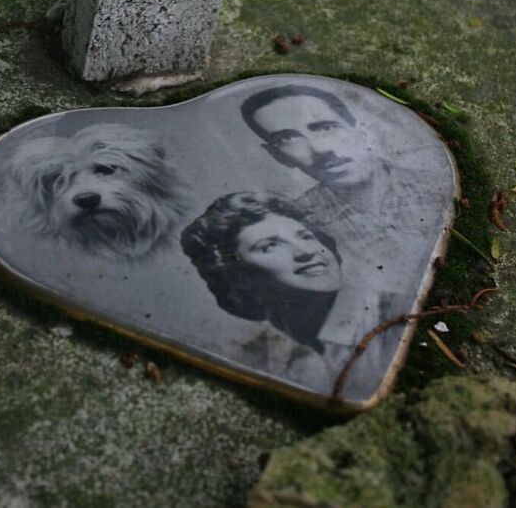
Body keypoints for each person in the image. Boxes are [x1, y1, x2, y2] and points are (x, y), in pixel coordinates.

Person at [181, 191, 400, 393]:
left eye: (305, 236)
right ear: (239, 276)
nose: (305, 251)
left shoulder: (392, 315)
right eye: (270, 246)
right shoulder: (259, 358)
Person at [240, 84, 447, 292]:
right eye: (288, 139)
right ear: (278, 155)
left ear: (361, 130)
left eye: (326, 127)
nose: (320, 149)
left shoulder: (434, 185)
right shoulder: (298, 224)